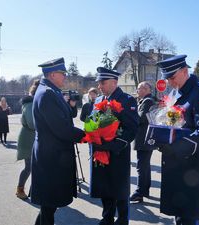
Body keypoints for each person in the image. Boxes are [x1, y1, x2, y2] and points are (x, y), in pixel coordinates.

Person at [156, 55, 199, 225]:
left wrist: (176, 147)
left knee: (190, 218)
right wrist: (160, 136)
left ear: (185, 71)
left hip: (194, 171)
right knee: (181, 217)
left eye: (172, 77)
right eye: (167, 78)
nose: (169, 82)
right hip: (179, 168)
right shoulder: (178, 93)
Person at [30, 57, 85, 225]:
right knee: (49, 205)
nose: (65, 77)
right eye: (63, 74)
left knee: (48, 206)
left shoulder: (50, 90)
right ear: (53, 74)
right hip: (51, 157)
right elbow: (60, 128)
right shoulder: (47, 93)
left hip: (52, 154)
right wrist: (86, 135)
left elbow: (63, 118)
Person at [91, 67, 139, 225]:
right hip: (100, 152)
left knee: (119, 188)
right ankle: (107, 217)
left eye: (102, 82)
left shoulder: (126, 100)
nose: (99, 86)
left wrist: (114, 145)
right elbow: (92, 123)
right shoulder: (98, 100)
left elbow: (131, 129)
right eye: (98, 83)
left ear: (114, 82)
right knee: (104, 186)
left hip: (117, 153)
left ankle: (123, 219)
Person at [130, 81, 155, 203]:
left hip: (144, 139)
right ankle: (144, 190)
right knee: (145, 166)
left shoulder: (147, 101)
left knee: (141, 166)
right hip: (144, 139)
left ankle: (139, 192)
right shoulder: (144, 101)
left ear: (146, 89)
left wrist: (130, 114)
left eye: (139, 88)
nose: (137, 90)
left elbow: (141, 118)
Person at [16, 79, 40, 200]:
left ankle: (34, 190)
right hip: (28, 139)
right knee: (29, 167)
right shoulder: (30, 104)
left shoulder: (32, 102)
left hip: (31, 138)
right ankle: (20, 189)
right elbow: (32, 123)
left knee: (34, 167)